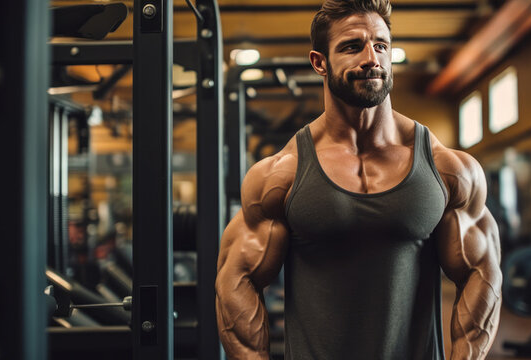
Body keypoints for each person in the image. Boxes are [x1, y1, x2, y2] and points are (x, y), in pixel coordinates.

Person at [215, 1, 502, 358]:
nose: (372, 58)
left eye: (381, 45)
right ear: (319, 62)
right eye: (353, 47)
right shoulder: (280, 174)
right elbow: (236, 282)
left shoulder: (448, 170)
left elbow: (481, 274)